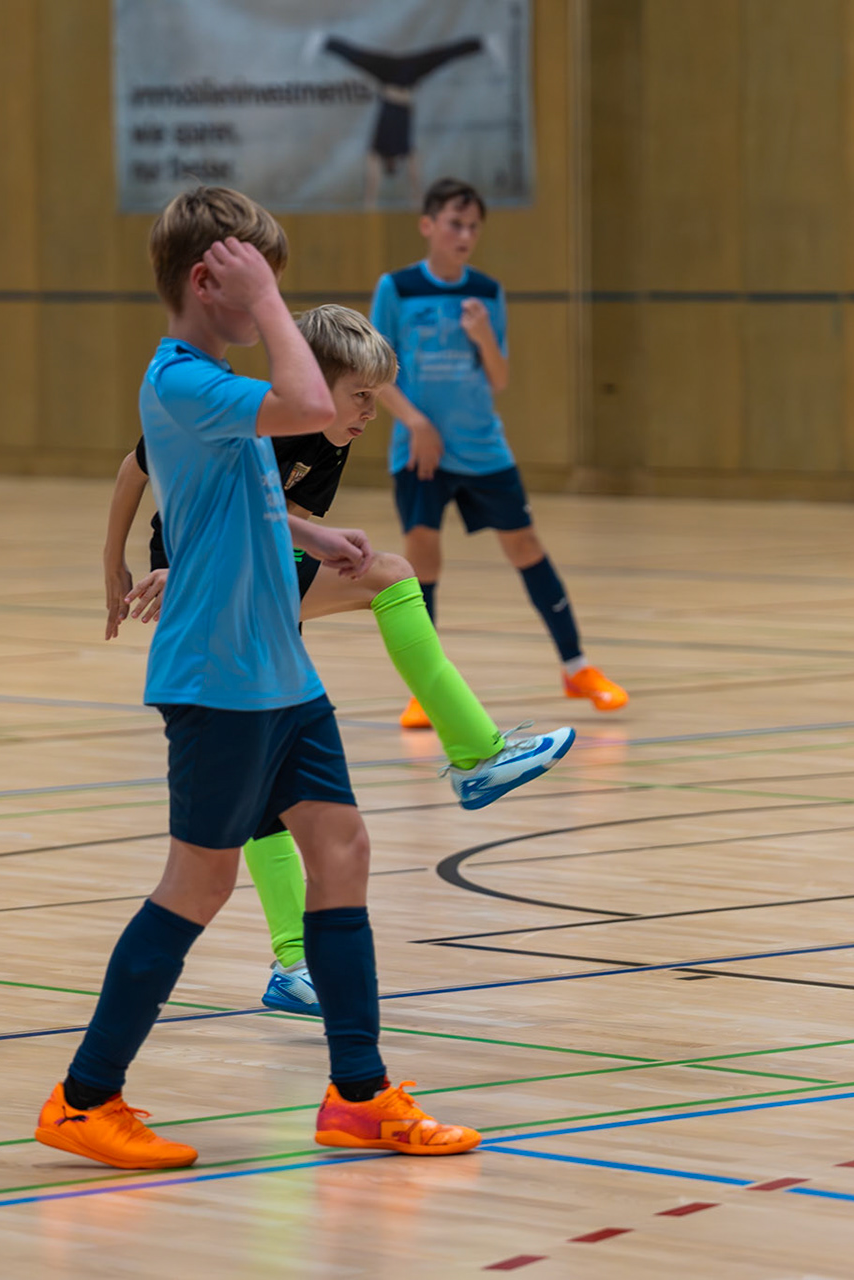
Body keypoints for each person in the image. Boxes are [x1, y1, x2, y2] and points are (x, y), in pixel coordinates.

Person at [35, 187, 480, 1171]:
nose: (273, 298)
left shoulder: (216, 384)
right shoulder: (182, 380)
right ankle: (83, 1098)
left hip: (279, 669)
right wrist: (274, 305)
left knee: (344, 848)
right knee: (199, 884)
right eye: (260, 281)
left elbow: (248, 493)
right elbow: (312, 404)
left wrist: (315, 535)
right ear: (210, 281)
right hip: (217, 677)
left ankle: (358, 1093)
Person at [101, 302, 575, 1017]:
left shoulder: (327, 439)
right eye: (361, 396)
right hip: (203, 573)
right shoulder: (240, 411)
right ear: (315, 381)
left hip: (249, 569)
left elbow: (270, 511)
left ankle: (295, 962)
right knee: (388, 579)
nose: (371, 414)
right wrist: (120, 563)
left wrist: (307, 542)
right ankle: (475, 756)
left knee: (265, 763)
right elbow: (139, 469)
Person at [372, 177, 626, 730]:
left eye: (473, 227)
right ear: (428, 225)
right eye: (454, 224)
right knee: (422, 556)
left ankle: (577, 667)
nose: (464, 235)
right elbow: (374, 371)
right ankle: (426, 690)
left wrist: (484, 336)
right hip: (420, 452)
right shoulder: (397, 289)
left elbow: (500, 377)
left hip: (482, 447)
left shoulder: (487, 291)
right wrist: (416, 422)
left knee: (526, 546)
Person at [311, 32, 499, 208]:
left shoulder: (386, 146)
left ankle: (326, 42)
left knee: (440, 56)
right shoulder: (399, 146)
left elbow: (381, 172)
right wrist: (414, 198)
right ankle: (481, 43)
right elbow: (409, 170)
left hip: (396, 77)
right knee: (440, 56)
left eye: (393, 166)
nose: (395, 165)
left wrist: (371, 202)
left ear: (391, 165)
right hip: (402, 78)